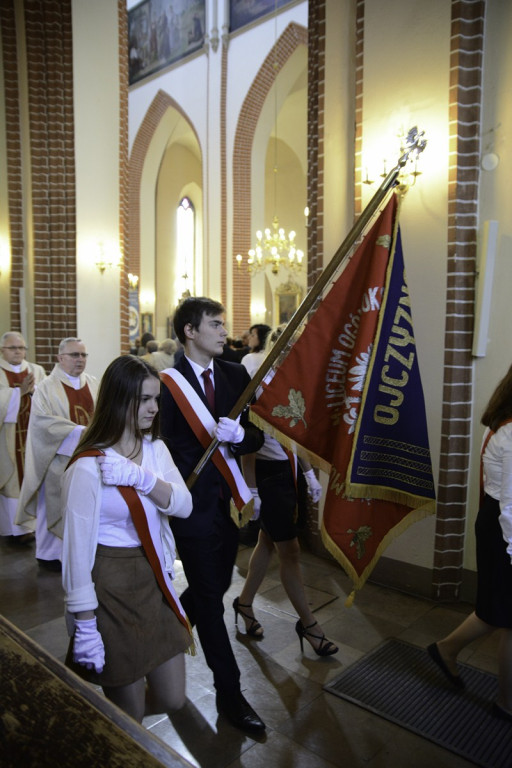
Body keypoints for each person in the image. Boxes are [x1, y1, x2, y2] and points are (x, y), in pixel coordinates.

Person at [61, 355, 193, 723]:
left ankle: (105, 723)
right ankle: (113, 730)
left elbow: (183, 505)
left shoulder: (155, 449)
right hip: (109, 584)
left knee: (173, 698)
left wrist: (142, 478)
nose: (154, 408)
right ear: (119, 400)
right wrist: (85, 624)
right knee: (129, 713)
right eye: (144, 400)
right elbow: (75, 553)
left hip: (153, 576)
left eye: (156, 399)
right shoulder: (88, 465)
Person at [159, 296, 266, 733]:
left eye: (224, 325)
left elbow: (257, 436)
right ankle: (230, 694)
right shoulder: (167, 384)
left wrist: (240, 436)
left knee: (215, 587)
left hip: (229, 505)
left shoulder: (235, 374)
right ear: (190, 331)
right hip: (191, 509)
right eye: (216, 325)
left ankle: (163, 627)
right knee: (209, 598)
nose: (225, 332)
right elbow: (159, 448)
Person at [235, 325, 339, 656]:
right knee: (290, 550)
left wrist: (309, 473)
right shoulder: (259, 380)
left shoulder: (293, 380)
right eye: (290, 345)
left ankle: (244, 603)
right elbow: (249, 439)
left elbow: (296, 434)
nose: (295, 351)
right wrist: (252, 489)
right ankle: (308, 624)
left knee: (268, 542)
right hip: (266, 476)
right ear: (277, 347)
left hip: (288, 472)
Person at [427, 363, 512, 721]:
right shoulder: (511, 433)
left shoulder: (503, 424)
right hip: (505, 529)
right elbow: (510, 504)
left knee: (499, 612)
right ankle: (506, 704)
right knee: (506, 618)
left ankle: (446, 649)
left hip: (498, 523)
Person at [16, 338, 98, 571]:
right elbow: (42, 424)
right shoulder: (46, 387)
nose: (80, 360)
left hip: (89, 459)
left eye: (83, 355)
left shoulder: (94, 384)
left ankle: (80, 554)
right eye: (74, 355)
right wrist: (79, 432)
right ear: (60, 358)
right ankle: (50, 554)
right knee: (53, 505)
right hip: (57, 459)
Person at [0, 332, 46, 544]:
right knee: (12, 480)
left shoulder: (37, 370)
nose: (18, 352)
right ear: (2, 350)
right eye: (12, 348)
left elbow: (47, 398)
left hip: (33, 436)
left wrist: (34, 391)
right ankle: (14, 530)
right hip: (8, 438)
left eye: (21, 348)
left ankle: (34, 527)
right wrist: (17, 393)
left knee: (34, 477)